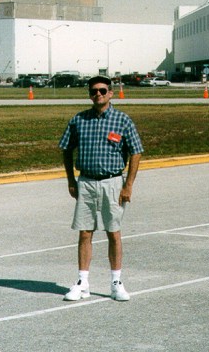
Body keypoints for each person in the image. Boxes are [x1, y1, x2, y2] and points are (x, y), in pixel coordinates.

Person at [59, 74, 143, 301]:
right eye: (93, 91)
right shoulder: (79, 120)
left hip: (112, 182)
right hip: (86, 182)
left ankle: (116, 283)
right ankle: (82, 282)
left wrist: (128, 185)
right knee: (85, 232)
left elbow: (136, 152)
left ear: (110, 93)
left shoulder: (123, 120)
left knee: (113, 232)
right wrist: (71, 180)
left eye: (102, 91)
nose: (98, 94)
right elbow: (66, 149)